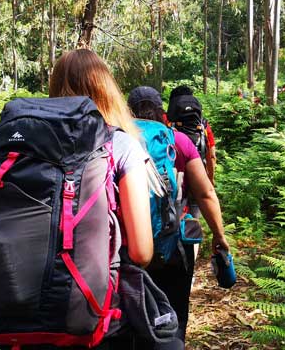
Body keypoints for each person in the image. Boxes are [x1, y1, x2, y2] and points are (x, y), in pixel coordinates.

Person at [46, 49, 155, 349]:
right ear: (106, 88)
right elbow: (143, 251)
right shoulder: (119, 144)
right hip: (99, 319)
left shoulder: (29, 143)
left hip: (23, 314)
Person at [128, 86, 231, 347]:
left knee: (130, 320)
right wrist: (219, 236)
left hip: (128, 249)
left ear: (128, 111)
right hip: (174, 246)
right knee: (174, 315)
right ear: (162, 112)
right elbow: (206, 193)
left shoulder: (116, 140)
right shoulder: (179, 141)